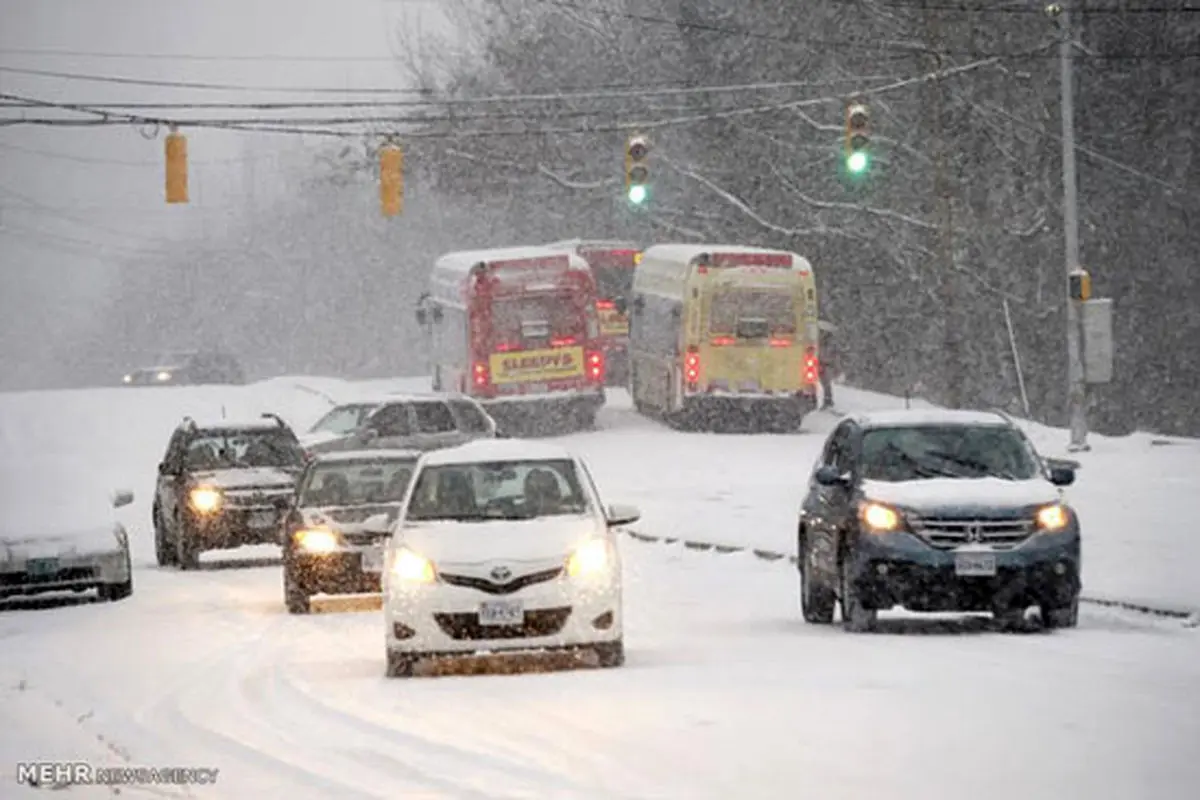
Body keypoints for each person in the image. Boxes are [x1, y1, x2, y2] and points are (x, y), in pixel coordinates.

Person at [818, 319, 837, 409]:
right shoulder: (823, 342)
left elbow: (832, 355)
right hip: (823, 364)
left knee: (826, 383)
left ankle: (828, 401)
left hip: (826, 365)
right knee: (825, 383)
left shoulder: (828, 343)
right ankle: (828, 401)